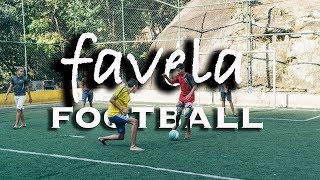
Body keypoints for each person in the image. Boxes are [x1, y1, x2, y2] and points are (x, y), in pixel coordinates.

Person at [98, 78, 144, 151]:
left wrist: (124, 110)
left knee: (121, 136)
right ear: (134, 86)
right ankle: (133, 146)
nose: (137, 89)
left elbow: (120, 104)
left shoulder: (128, 95)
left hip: (118, 116)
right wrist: (122, 109)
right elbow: (111, 99)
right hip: (114, 114)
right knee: (134, 121)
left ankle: (102, 138)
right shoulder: (122, 89)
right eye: (137, 87)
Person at [162, 63, 197, 139]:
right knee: (178, 113)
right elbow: (171, 82)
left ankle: (188, 131)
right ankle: (177, 124)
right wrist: (166, 77)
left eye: (179, 71)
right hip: (182, 97)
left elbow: (194, 86)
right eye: (177, 71)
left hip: (189, 98)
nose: (177, 72)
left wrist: (189, 94)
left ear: (183, 69)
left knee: (187, 116)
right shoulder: (178, 76)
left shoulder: (188, 76)